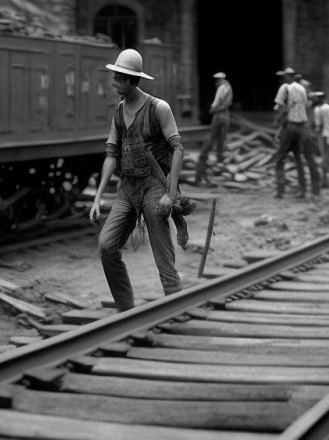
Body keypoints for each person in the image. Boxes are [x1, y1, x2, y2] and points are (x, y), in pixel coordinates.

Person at [89, 49, 186, 311]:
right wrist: (98, 197)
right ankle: (126, 311)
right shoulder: (119, 112)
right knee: (107, 246)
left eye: (118, 78)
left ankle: (175, 308)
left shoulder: (158, 108)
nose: (113, 82)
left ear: (132, 80)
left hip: (155, 187)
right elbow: (111, 154)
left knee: (162, 256)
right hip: (128, 188)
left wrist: (170, 193)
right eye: (115, 77)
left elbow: (178, 148)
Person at [269, 67, 320, 199]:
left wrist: (279, 124)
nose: (281, 80)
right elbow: (311, 102)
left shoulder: (286, 89)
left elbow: (282, 110)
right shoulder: (304, 88)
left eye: (283, 77)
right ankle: (312, 191)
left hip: (291, 128)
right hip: (302, 127)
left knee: (280, 159)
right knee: (303, 159)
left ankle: (280, 190)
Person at [194, 72, 233, 185]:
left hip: (219, 114)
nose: (216, 83)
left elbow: (216, 103)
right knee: (222, 138)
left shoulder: (221, 88)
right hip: (226, 115)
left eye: (216, 81)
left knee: (210, 140)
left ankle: (200, 177)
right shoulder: (228, 87)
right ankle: (220, 158)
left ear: (218, 80)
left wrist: (211, 110)